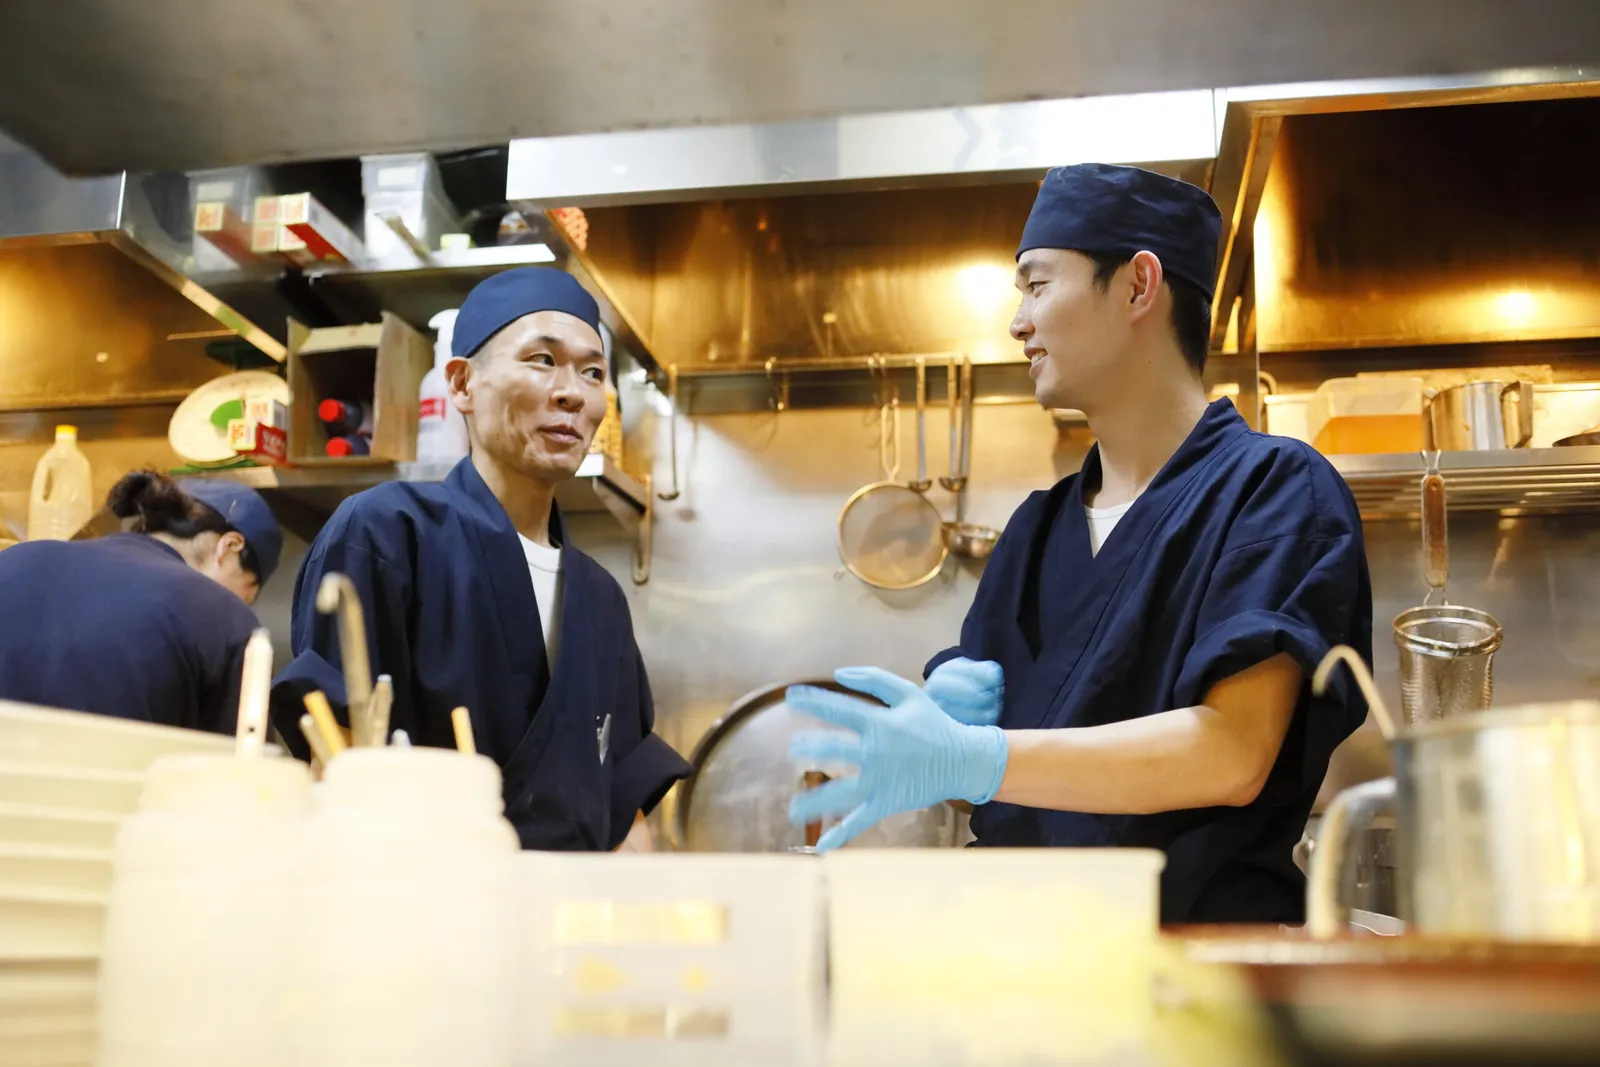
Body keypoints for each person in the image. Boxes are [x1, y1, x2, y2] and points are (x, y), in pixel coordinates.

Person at [787, 164, 1373, 924]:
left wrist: (980, 756)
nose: (1017, 323)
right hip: (1018, 951)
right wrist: (943, 743)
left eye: (1037, 285)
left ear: (1137, 287)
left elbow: (1231, 754)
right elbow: (993, 789)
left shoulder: (1273, 489)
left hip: (1194, 959)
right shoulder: (1035, 531)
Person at [271, 267, 690, 853]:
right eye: (542, 360)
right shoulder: (389, 532)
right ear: (462, 384)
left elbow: (623, 814)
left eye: (592, 372)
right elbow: (334, 761)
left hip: (571, 906)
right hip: (424, 896)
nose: (572, 391)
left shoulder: (599, 598)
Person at [0, 470, 281, 731]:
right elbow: (241, 762)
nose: (243, 604)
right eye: (249, 592)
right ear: (230, 547)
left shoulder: (15, 560)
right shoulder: (220, 612)